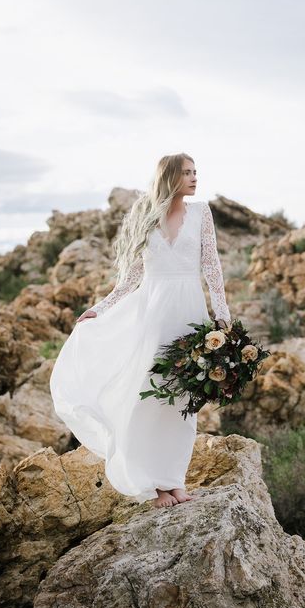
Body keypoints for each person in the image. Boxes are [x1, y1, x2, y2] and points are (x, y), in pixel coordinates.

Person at [49, 153, 231, 508]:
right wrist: (100, 310)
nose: (195, 178)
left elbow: (212, 268)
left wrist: (222, 317)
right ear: (169, 176)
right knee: (148, 396)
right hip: (152, 314)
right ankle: (153, 484)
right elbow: (130, 279)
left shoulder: (201, 212)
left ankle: (174, 480)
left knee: (183, 399)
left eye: (196, 172)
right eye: (187, 173)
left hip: (189, 316)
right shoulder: (143, 215)